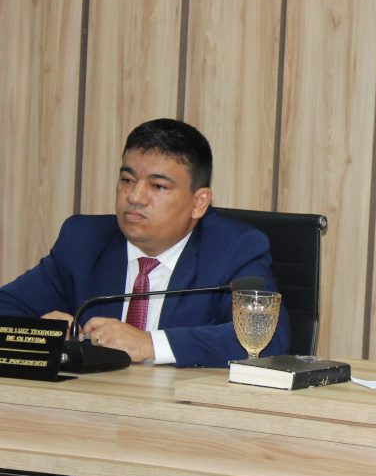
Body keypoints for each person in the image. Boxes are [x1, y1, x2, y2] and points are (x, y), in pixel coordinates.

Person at [0, 119, 290, 367]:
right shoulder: (84, 241)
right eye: (127, 180)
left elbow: (269, 339)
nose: (135, 197)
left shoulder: (234, 248)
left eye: (158, 186)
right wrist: (41, 330)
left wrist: (149, 344)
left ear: (199, 202)